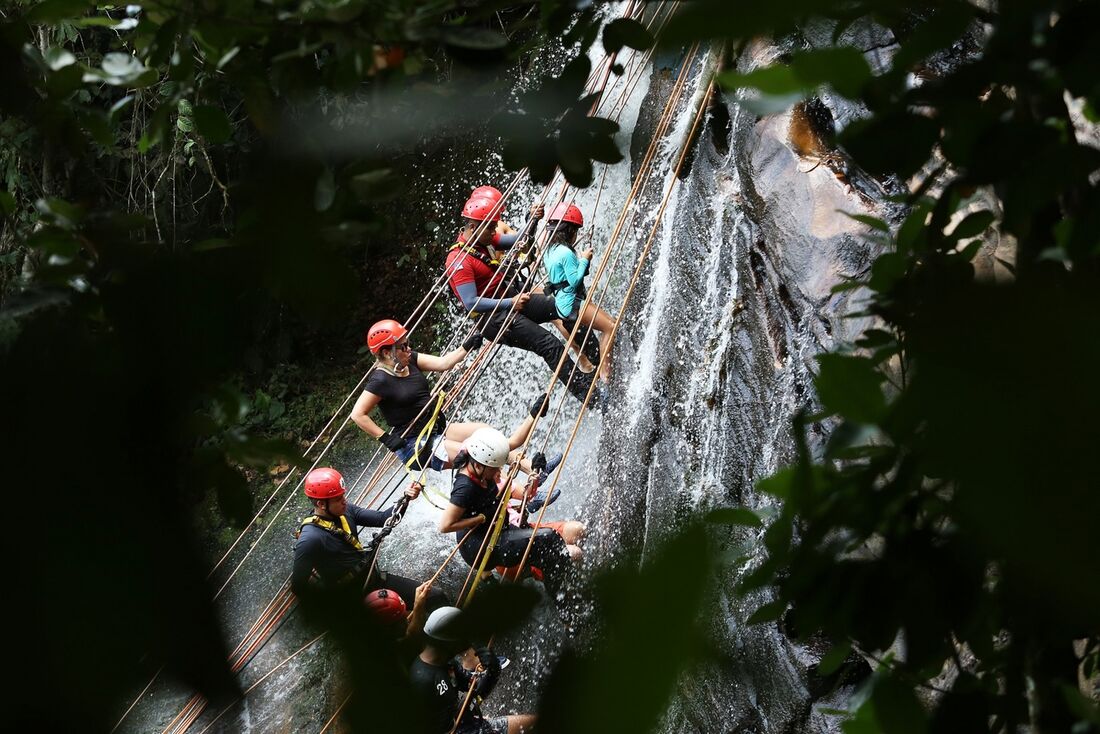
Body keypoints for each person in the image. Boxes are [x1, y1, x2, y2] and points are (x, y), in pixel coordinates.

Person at [351, 318, 559, 476]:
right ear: (387, 353)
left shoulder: (410, 360)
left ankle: (532, 471)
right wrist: (386, 439)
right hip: (415, 444)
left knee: (485, 432)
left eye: (408, 343)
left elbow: (444, 364)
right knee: (478, 452)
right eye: (403, 346)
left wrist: (466, 347)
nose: (409, 348)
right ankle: (519, 496)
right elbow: (358, 414)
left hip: (437, 429)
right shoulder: (380, 380)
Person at [445, 192, 595, 403]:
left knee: (563, 306)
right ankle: (592, 396)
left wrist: (533, 219)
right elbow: (470, 302)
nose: (494, 231)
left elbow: (519, 239)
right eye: (490, 227)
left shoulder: (482, 240)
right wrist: (511, 303)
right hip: (495, 319)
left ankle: (596, 358)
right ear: (473, 227)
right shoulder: (458, 260)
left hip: (512, 300)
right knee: (549, 344)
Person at [438, 428, 581, 600]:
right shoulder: (465, 488)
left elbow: (513, 443)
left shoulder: (482, 469)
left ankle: (567, 585)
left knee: (551, 544)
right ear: (478, 465)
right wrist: (481, 518)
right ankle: (567, 601)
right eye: (495, 468)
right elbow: (445, 525)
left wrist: (534, 472)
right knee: (548, 540)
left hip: (500, 531)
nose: (499, 472)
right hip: (482, 546)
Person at [290, 467, 446, 613]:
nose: (344, 500)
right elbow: (299, 587)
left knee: (436, 598)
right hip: (353, 600)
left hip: (374, 580)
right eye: (338, 499)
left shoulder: (346, 511)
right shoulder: (310, 539)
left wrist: (406, 498)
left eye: (343, 495)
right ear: (321, 504)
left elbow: (383, 519)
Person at [410, 606, 535, 734]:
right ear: (449, 644)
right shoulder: (420, 682)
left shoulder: (448, 663)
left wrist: (493, 669)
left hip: (464, 723)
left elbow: (476, 691)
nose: (468, 644)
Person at [542, 202, 617, 382]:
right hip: (572, 302)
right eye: (574, 230)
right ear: (569, 231)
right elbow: (575, 280)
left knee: (609, 323)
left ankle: (603, 368)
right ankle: (606, 375)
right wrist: (584, 259)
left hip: (563, 303)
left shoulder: (549, 251)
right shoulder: (565, 253)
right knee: (611, 327)